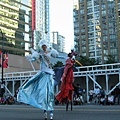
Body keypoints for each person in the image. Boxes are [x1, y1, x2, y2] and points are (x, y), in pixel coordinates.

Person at [17, 39, 58, 120]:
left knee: (50, 94)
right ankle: (45, 113)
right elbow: (34, 58)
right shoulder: (40, 53)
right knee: (43, 94)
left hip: (49, 75)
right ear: (41, 47)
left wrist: (52, 49)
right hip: (42, 74)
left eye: (45, 46)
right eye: (42, 46)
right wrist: (31, 57)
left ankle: (51, 113)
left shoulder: (50, 51)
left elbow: (56, 55)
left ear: (46, 46)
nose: (44, 47)